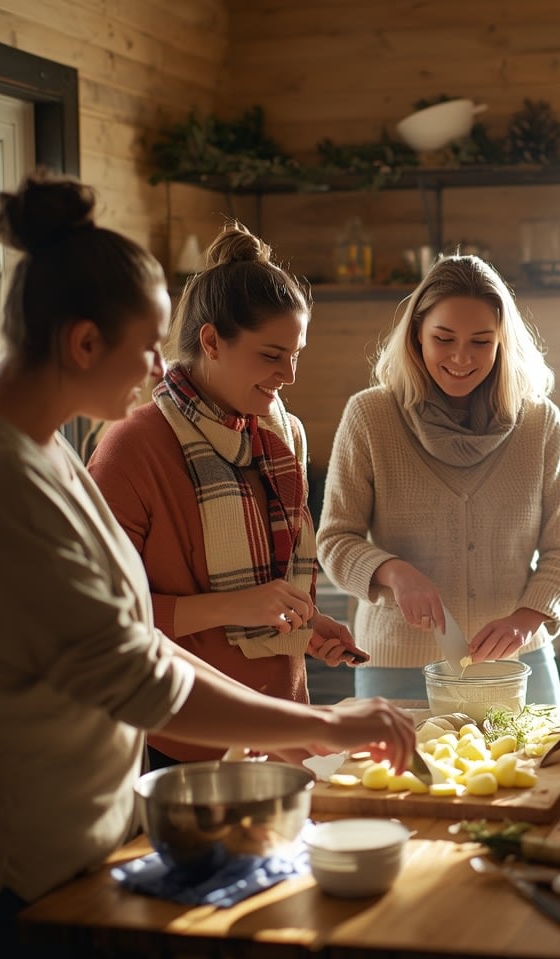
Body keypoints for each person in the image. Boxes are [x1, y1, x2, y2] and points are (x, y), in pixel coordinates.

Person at [0, 171, 414, 959]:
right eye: (152, 344)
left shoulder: (42, 454)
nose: (164, 367)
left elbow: (140, 643)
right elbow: (135, 673)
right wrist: (326, 726)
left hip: (80, 854)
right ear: (84, 343)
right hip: (7, 886)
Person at [88, 221, 361, 766]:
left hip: (284, 728)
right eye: (270, 355)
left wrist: (301, 625)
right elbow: (105, 626)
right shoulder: (131, 448)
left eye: (296, 354)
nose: (289, 374)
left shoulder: (281, 434)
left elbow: (266, 593)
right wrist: (240, 605)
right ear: (211, 341)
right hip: (182, 744)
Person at [316, 254, 560, 704]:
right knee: (399, 778)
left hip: (517, 664)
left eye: (481, 341)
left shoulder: (539, 422)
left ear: (502, 342)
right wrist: (393, 572)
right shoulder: (371, 416)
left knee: (540, 774)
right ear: (416, 336)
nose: (462, 358)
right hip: (399, 668)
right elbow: (335, 540)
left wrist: (526, 617)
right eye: (444, 339)